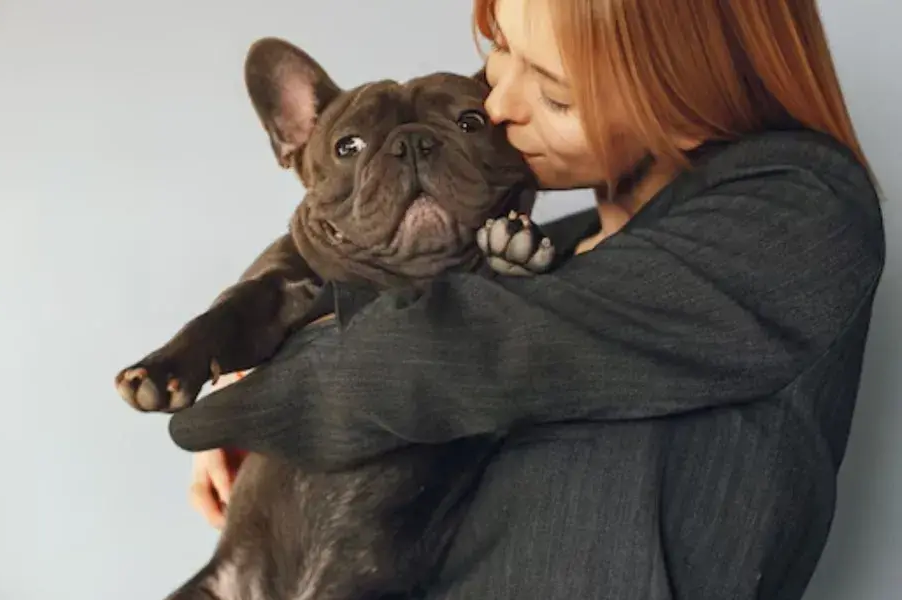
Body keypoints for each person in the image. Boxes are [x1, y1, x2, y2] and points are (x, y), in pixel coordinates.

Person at [172, 0, 886, 598]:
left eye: (554, 93)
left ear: (683, 106)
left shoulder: (798, 209)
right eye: (501, 50)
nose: (500, 102)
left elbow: (449, 352)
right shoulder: (537, 254)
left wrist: (255, 394)